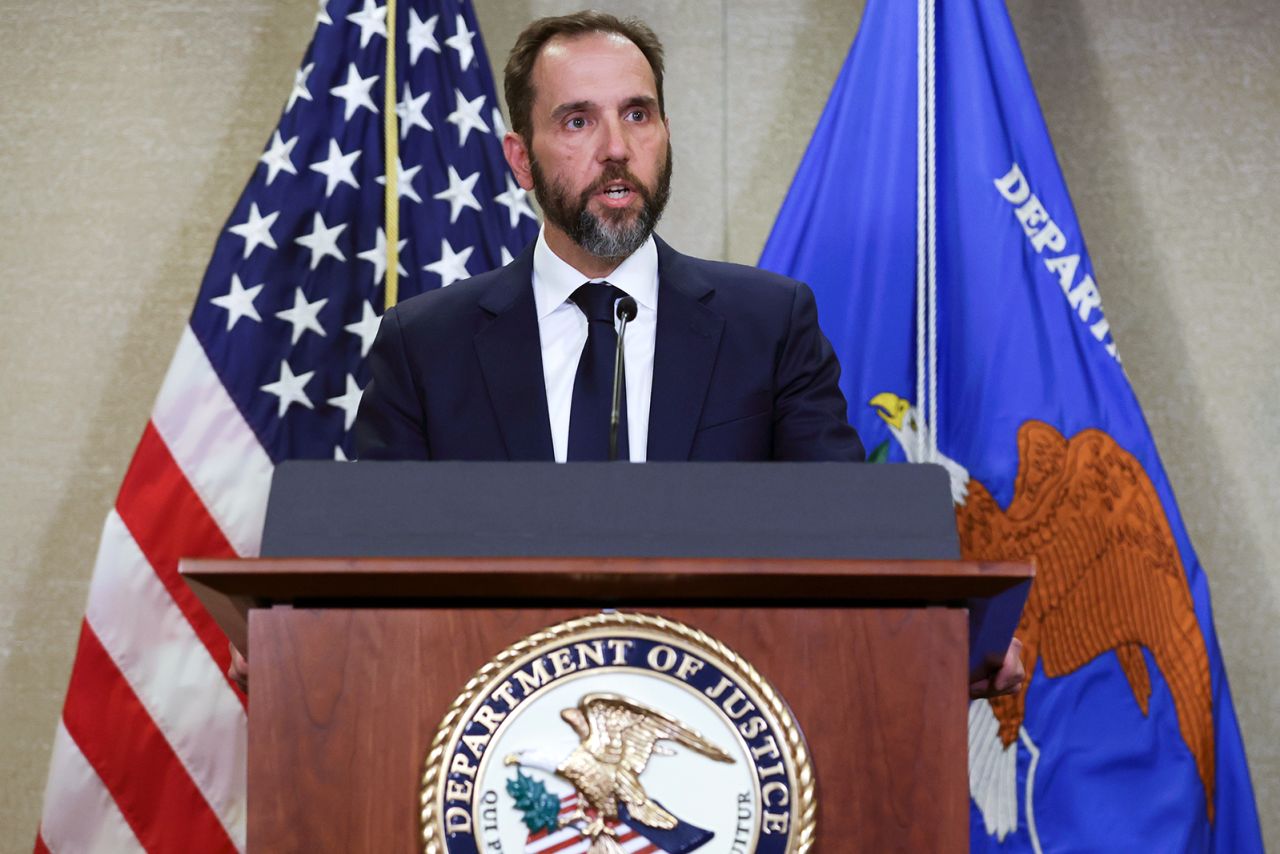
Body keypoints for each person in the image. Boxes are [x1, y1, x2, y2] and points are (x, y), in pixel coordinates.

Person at [231, 12, 1024, 699]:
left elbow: (859, 552)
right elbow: (373, 572)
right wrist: (301, 650)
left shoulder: (769, 324)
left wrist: (945, 645)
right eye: (578, 120)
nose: (616, 148)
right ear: (520, 159)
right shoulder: (424, 345)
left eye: (639, 115)